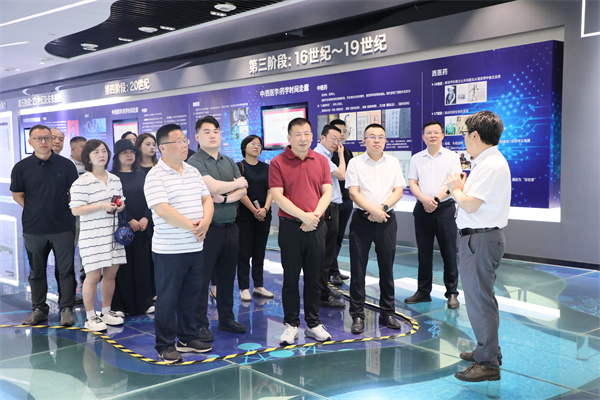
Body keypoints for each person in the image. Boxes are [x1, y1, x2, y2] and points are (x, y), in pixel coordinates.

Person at [447, 111, 511, 382]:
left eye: (465, 133)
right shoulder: (487, 162)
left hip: (480, 239)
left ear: (475, 135)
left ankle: (487, 364)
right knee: (483, 299)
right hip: (481, 238)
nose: (463, 138)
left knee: (479, 301)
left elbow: (471, 204)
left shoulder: (489, 165)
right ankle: (488, 350)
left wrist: (455, 188)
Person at [144, 123, 214, 363]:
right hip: (170, 250)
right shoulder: (155, 176)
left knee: (191, 296)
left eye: (185, 140)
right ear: (163, 147)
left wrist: (206, 222)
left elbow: (207, 198)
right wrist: (194, 227)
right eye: (179, 141)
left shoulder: (192, 171)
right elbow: (163, 210)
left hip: (195, 246)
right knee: (167, 299)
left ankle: (187, 338)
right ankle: (164, 345)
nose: (185, 145)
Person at [269, 117, 332, 345]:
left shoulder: (322, 160)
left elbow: (327, 192)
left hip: (316, 226)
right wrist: (303, 216)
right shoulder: (277, 162)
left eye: (307, 134)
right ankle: (291, 324)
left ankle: (313, 324)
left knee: (315, 277)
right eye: (298, 134)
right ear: (289, 138)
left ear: (312, 136)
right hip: (291, 228)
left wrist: (313, 216)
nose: (303, 138)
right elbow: (278, 197)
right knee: (291, 278)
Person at [10, 125, 79, 327]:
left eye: (47, 138)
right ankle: (39, 309)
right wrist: (35, 209)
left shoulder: (66, 165)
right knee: (36, 271)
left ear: (51, 140)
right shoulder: (21, 168)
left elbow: (73, 192)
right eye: (38, 138)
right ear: (30, 142)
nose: (43, 142)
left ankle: (66, 308)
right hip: (34, 228)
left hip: (63, 226)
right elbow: (17, 194)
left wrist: (59, 208)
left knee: (66, 270)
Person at [187, 115, 248, 340]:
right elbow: (211, 186)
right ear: (197, 137)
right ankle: (200, 324)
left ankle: (226, 319)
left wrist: (223, 198)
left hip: (230, 227)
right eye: (207, 132)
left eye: (216, 131)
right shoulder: (195, 162)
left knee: (227, 277)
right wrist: (235, 184)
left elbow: (244, 190)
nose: (212, 135)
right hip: (208, 230)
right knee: (202, 279)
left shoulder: (228, 161)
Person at [346, 123, 406, 334]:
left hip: (386, 219)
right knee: (358, 269)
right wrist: (373, 210)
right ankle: (357, 315)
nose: (377, 140)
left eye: (381, 136)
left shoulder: (393, 162)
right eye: (372, 136)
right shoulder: (354, 163)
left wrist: (382, 210)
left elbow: (398, 191)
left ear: (385, 141)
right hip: (361, 219)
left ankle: (387, 312)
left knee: (386, 268)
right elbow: (353, 193)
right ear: (364, 141)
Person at [70, 139, 126, 331]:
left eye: (104, 151)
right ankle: (90, 316)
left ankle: (106, 311)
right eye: (96, 152)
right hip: (92, 235)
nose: (101, 155)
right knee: (93, 276)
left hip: (113, 234)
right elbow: (76, 210)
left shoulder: (115, 179)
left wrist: (120, 206)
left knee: (111, 274)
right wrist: (101, 206)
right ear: (87, 157)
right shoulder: (81, 182)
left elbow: (120, 201)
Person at [405, 121, 461, 309]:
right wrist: (424, 200)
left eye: (436, 132)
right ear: (423, 136)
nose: (432, 135)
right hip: (422, 209)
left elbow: (454, 184)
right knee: (424, 252)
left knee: (449, 252)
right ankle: (423, 292)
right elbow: (412, 183)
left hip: (445, 209)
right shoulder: (416, 158)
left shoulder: (452, 157)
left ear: (442, 135)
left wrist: (435, 200)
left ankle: (452, 293)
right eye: (428, 133)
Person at [110, 139, 155, 316]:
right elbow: (114, 202)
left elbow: (150, 199)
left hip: (142, 228)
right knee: (123, 267)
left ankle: (144, 302)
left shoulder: (141, 175)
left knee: (142, 266)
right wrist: (129, 220)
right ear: (117, 156)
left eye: (132, 152)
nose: (129, 155)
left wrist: (145, 217)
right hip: (122, 228)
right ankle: (121, 306)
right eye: (124, 152)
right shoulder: (112, 177)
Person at [236, 135, 274, 302]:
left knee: (259, 251)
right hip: (245, 215)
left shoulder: (267, 167)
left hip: (264, 214)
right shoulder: (238, 166)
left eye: (259, 145)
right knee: (244, 252)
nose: (257, 147)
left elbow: (271, 189)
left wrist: (265, 209)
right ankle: (244, 288)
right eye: (253, 144)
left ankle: (259, 285)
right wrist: (253, 210)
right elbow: (240, 191)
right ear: (244, 147)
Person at [313, 125, 346, 309]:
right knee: (325, 253)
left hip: (332, 207)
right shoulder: (321, 155)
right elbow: (341, 175)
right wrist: (341, 155)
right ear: (322, 138)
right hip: (328, 208)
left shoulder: (325, 155)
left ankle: (323, 289)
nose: (336, 142)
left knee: (327, 252)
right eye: (333, 138)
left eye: (339, 139)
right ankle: (321, 295)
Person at [329, 119, 353, 285]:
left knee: (338, 237)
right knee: (331, 237)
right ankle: (332, 271)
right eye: (338, 131)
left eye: (344, 131)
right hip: (331, 202)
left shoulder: (348, 152)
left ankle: (334, 269)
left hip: (346, 200)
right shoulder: (328, 153)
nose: (341, 134)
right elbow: (341, 175)